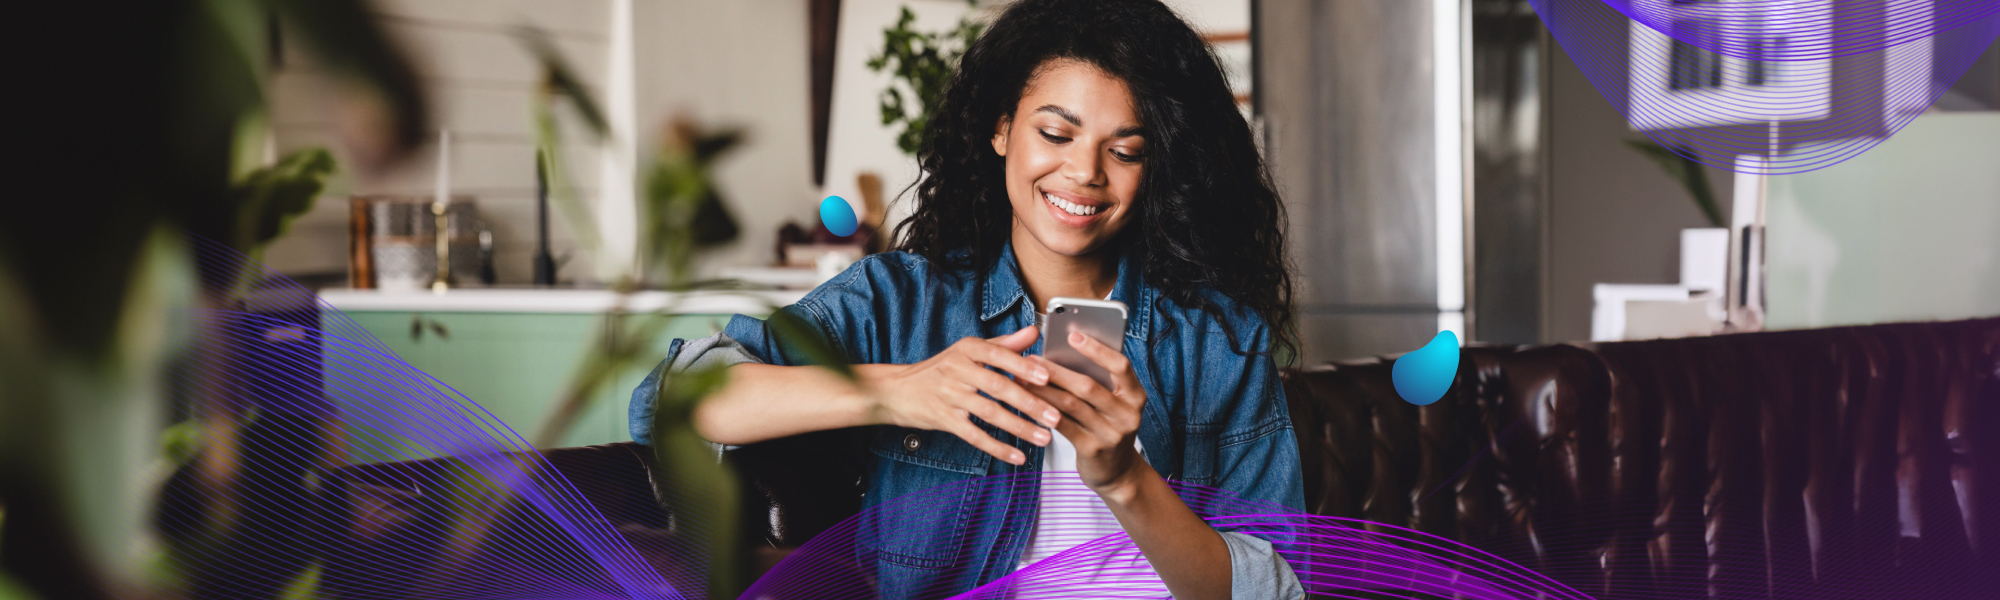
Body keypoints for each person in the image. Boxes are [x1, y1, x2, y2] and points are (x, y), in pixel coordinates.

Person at [629, 1, 1304, 598]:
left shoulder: (1215, 340)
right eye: (1055, 133)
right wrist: (898, 390)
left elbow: (1275, 588)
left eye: (1125, 150)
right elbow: (674, 400)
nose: (1085, 172)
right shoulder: (897, 304)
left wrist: (1127, 478)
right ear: (1002, 128)